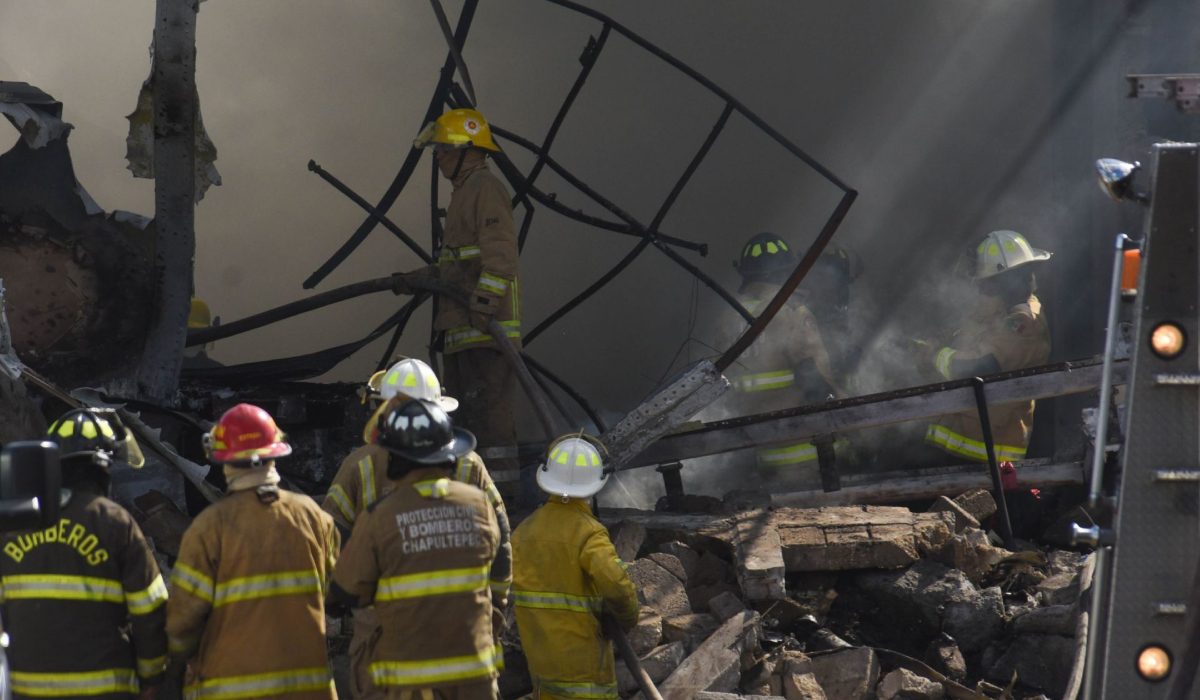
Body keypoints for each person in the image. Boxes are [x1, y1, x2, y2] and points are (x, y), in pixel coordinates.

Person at [322, 358, 511, 700]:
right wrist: (495, 603)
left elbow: (330, 537)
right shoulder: (471, 468)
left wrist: (343, 598)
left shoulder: (360, 468)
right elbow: (501, 543)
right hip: (467, 641)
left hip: (392, 647)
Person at [166, 403, 339, 699]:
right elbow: (334, 592)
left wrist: (179, 660)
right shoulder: (313, 516)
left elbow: (182, 624)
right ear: (275, 453)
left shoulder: (210, 527)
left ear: (224, 461)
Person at [0, 408, 166, 700]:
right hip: (105, 691)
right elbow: (149, 610)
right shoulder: (114, 521)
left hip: (30, 690)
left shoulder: (16, 523)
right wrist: (152, 677)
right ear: (102, 468)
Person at [408, 108, 522, 483]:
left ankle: (502, 498)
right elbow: (457, 266)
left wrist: (485, 307)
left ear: (466, 150)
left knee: (490, 422)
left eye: (443, 149)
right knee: (467, 420)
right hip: (462, 332)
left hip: (485, 332)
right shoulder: (464, 193)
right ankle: (472, 490)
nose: (438, 157)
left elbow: (501, 255)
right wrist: (415, 279)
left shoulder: (484, 188)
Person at [511, 435, 639, 700]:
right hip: (582, 666)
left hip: (540, 663)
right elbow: (615, 585)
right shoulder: (588, 532)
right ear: (595, 483)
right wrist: (628, 619)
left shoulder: (522, 532)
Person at [922, 230, 1052, 463]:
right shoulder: (1001, 313)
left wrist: (936, 356)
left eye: (988, 285)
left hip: (985, 453)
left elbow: (982, 366)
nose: (983, 291)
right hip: (960, 443)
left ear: (1006, 281)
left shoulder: (1023, 322)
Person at [723, 232, 844, 477]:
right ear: (788, 270)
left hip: (762, 455)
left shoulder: (729, 319)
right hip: (811, 454)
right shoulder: (792, 313)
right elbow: (818, 380)